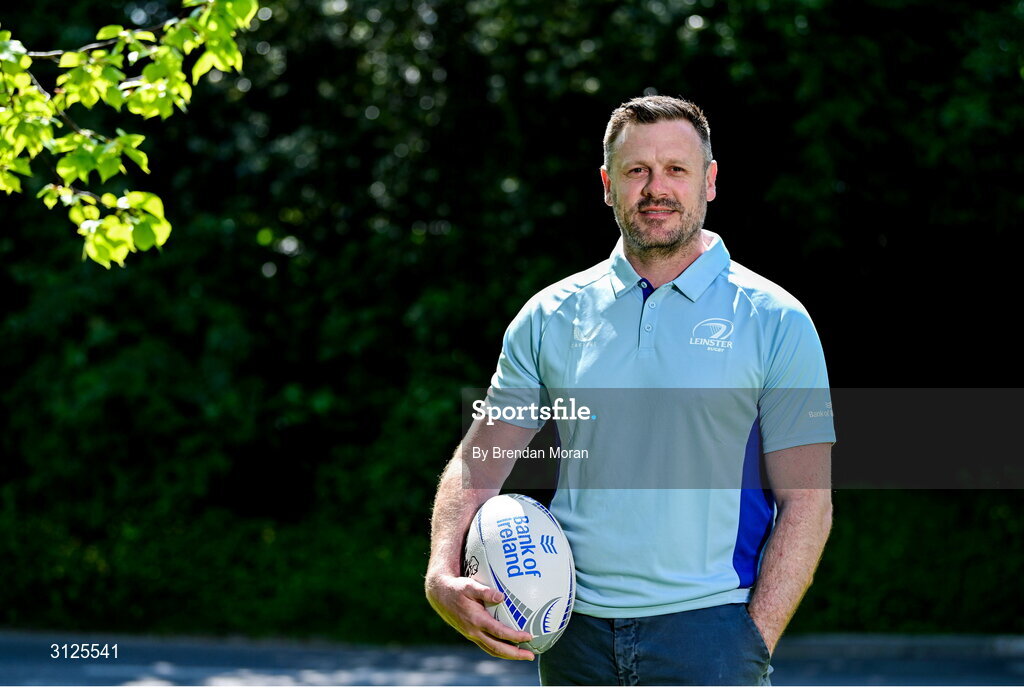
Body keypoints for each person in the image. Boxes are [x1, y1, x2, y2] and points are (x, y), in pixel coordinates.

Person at [425, 95, 835, 686]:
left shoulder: (775, 319)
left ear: (710, 181)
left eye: (676, 169)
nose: (655, 188)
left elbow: (809, 501)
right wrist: (441, 567)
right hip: (574, 636)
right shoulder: (551, 315)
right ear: (607, 184)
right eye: (637, 171)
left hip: (711, 633)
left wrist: (752, 640)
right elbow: (480, 458)